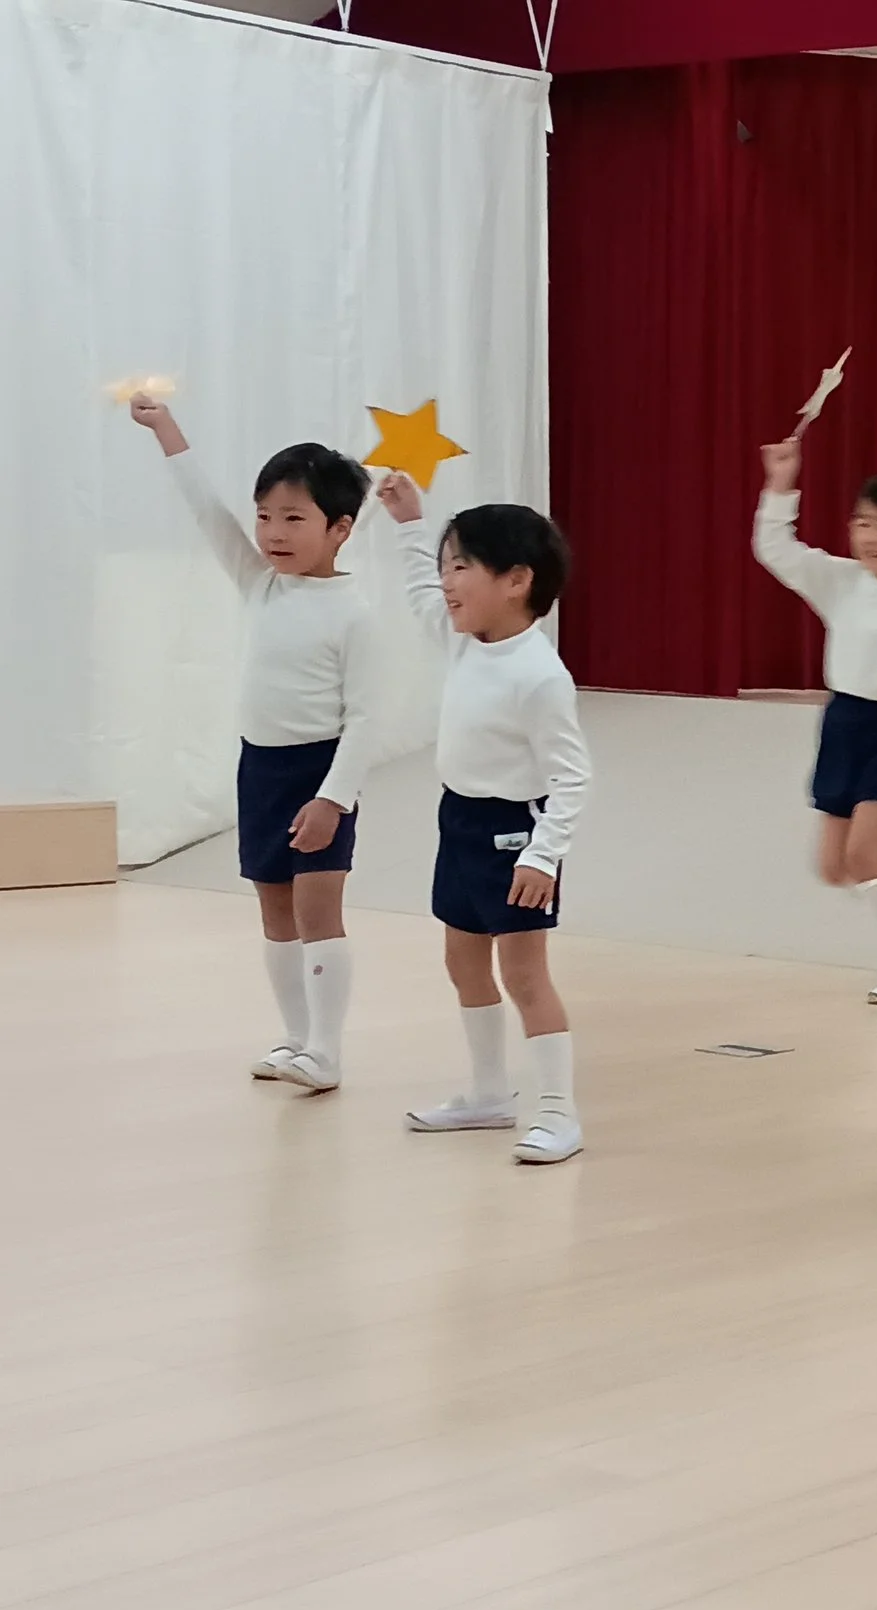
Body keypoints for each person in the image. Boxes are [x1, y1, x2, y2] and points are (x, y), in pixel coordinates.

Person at [129, 394, 377, 1093]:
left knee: (317, 912)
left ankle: (326, 1050)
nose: (273, 532)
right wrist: (165, 428)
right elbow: (207, 511)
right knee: (274, 910)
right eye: (265, 516)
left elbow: (366, 721)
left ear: (340, 529)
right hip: (260, 769)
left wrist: (333, 799)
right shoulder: (260, 584)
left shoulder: (354, 615)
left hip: (320, 775)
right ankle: (296, 1038)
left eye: (294, 518)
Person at [376, 472, 592, 1166]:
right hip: (460, 821)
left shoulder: (540, 675)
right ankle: (490, 1093)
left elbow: (571, 776)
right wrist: (411, 524)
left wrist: (542, 854)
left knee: (524, 976)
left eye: (462, 567)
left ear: (517, 580)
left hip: (514, 833)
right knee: (461, 960)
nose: (446, 582)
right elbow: (420, 595)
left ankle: (558, 1112)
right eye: (446, 566)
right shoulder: (466, 640)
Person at [753, 445, 877, 1004]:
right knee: (833, 867)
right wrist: (781, 485)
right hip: (841, 720)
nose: (870, 536)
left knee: (864, 857)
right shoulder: (842, 581)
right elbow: (775, 549)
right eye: (863, 522)